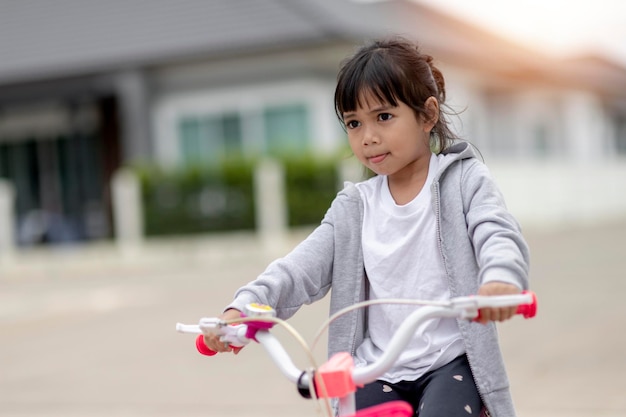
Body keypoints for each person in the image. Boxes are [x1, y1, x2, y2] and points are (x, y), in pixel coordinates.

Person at [204, 36, 530, 417]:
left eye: (384, 117)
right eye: (354, 123)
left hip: (451, 363)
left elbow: (497, 231)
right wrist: (244, 308)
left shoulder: (464, 181)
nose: (368, 137)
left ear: (427, 115)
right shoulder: (354, 207)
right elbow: (299, 268)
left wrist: (501, 278)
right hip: (376, 369)